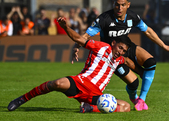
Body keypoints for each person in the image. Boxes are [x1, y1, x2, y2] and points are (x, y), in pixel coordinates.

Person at [71, 0, 169, 111]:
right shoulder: (104, 19)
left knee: (151, 62)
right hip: (112, 55)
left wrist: (164, 46)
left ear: (128, 5)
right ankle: (133, 98)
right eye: (117, 5)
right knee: (134, 83)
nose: (119, 8)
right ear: (113, 4)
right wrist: (76, 46)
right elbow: (86, 35)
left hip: (127, 47)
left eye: (123, 5)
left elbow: (147, 31)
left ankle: (141, 100)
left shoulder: (132, 17)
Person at [7, 17, 136, 113]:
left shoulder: (119, 60)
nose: (121, 52)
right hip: (81, 82)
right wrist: (66, 27)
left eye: (124, 51)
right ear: (113, 43)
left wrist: (142, 71)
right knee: (56, 84)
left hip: (95, 94)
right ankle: (22, 99)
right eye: (120, 48)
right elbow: (79, 39)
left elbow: (128, 62)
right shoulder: (102, 47)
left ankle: (89, 108)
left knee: (127, 107)